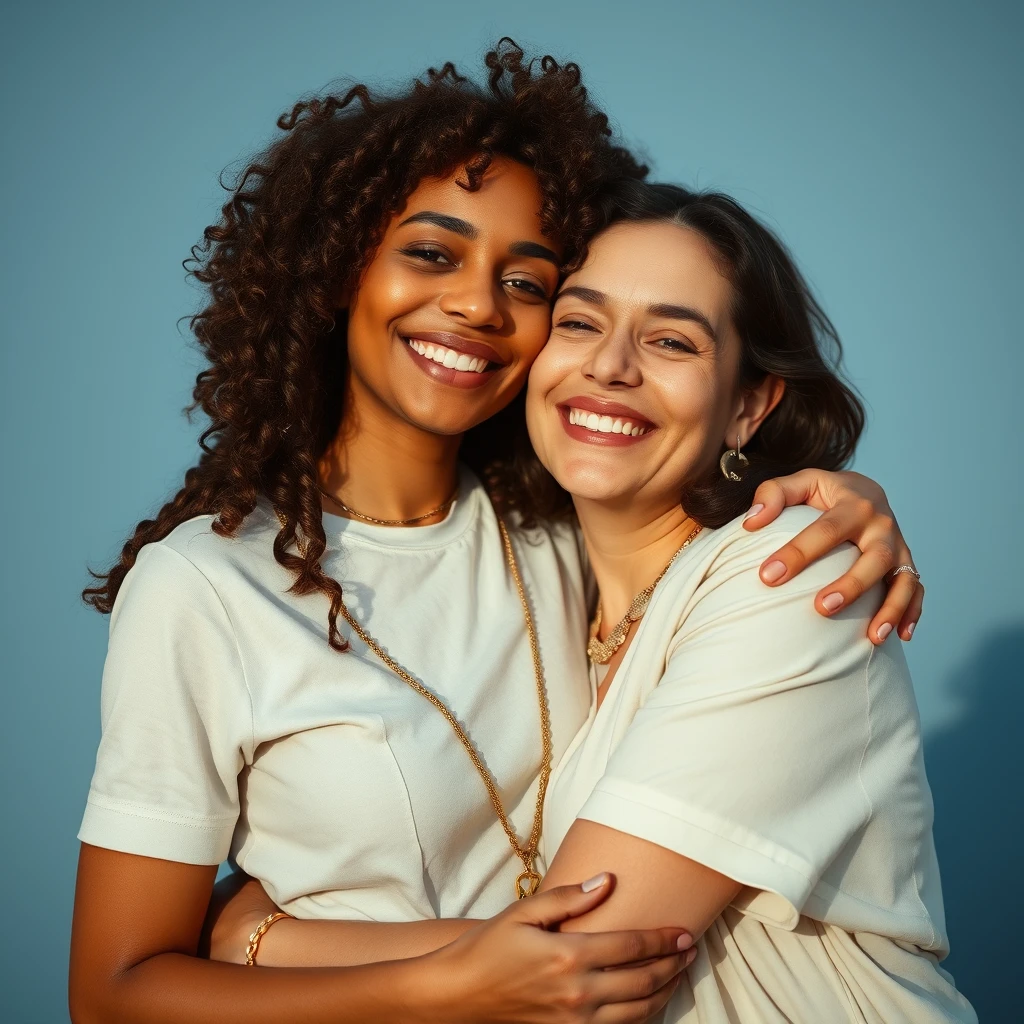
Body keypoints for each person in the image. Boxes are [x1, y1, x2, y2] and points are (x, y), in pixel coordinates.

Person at [70, 43, 924, 1024]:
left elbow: (591, 949)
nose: (477, 304)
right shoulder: (202, 588)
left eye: (526, 282)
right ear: (339, 269)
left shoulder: (564, 537)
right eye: (431, 253)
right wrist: (433, 982)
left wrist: (262, 938)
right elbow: (110, 993)